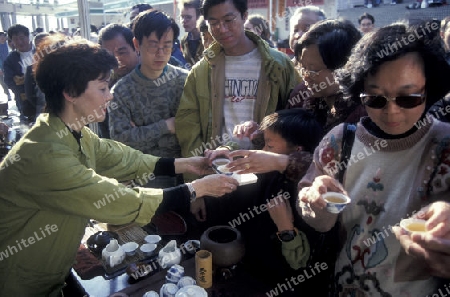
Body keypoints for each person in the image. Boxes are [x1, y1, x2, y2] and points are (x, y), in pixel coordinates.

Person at [0, 35, 239, 296]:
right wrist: (196, 190)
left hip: (47, 275)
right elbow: (121, 203)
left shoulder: (70, 133)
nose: (110, 96)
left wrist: (189, 164)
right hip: (18, 282)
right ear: (70, 93)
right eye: (102, 88)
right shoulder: (45, 155)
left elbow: (125, 159)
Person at [297, 20, 450, 295]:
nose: (391, 111)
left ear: (430, 88)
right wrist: (313, 202)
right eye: (376, 99)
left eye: (408, 98)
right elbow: (316, 216)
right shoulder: (340, 140)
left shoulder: (445, 146)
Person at [199, 109, 330, 296]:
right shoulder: (270, 173)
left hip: (277, 283)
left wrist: (285, 228)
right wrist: (226, 154)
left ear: (297, 152)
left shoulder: (308, 193)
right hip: (251, 267)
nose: (262, 152)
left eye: (268, 146)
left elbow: (301, 263)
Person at [175, 0, 300, 181]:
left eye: (228, 20)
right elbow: (188, 130)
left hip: (267, 173)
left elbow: (297, 117)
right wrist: (195, 184)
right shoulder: (202, 70)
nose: (222, 29)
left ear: (244, 16)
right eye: (214, 23)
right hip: (218, 172)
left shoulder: (278, 65)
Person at [109, 10, 189, 188]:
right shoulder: (121, 91)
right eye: (153, 45)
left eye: (167, 45)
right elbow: (121, 141)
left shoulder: (186, 81)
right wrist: (166, 126)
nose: (160, 53)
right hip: (145, 180)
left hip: (186, 175)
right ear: (137, 44)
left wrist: (142, 133)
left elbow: (194, 128)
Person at [288, 19, 366, 134]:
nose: (305, 76)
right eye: (302, 68)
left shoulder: (365, 113)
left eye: (313, 70)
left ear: (345, 67)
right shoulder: (300, 97)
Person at [98, 23, 141, 138]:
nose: (117, 59)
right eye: (109, 55)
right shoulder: (104, 85)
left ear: (136, 47)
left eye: (122, 52)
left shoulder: (158, 70)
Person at [4, 24, 34, 121]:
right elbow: (9, 81)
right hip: (25, 101)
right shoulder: (10, 59)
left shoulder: (41, 52)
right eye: (15, 39)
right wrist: (22, 91)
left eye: (22, 38)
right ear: (11, 41)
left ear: (28, 36)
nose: (19, 42)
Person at [24, 32, 49, 124]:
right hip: (42, 112)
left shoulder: (64, 66)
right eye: (39, 46)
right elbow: (29, 94)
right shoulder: (30, 69)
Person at [179, 0, 204, 66]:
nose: (184, 21)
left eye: (188, 17)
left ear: (199, 17)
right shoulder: (184, 40)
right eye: (182, 17)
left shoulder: (208, 38)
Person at [0, 32, 11, 101]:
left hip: (10, 65)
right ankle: (7, 93)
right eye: (1, 36)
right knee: (3, 81)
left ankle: (16, 93)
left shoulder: (9, 44)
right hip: (1, 66)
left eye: (3, 36)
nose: (2, 38)